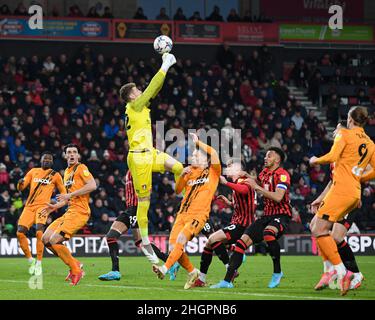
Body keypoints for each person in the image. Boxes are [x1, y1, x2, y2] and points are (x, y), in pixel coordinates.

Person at [119, 53, 183, 265]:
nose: (140, 91)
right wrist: (165, 64)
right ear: (131, 96)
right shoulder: (134, 106)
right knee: (144, 202)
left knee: (179, 167)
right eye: (137, 90)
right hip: (138, 160)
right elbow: (153, 86)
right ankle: (145, 242)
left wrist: (167, 68)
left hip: (151, 153)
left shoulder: (139, 107)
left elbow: (154, 88)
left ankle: (182, 201)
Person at [309, 106, 375, 296]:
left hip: (341, 190)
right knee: (316, 225)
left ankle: (341, 271)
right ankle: (333, 271)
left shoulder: (344, 135)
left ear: (350, 119)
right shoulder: (370, 143)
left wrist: (315, 160)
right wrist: (359, 178)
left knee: (318, 230)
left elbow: (332, 156)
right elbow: (374, 170)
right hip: (353, 192)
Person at [211, 147, 292, 289]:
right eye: (266, 156)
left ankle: (277, 272)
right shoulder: (264, 173)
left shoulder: (283, 175)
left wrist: (256, 187)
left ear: (277, 160)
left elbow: (278, 197)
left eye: (269, 156)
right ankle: (227, 281)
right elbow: (258, 181)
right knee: (241, 243)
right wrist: (247, 174)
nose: (265, 158)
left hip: (281, 215)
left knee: (269, 233)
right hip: (266, 215)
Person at [152, 133, 221, 289]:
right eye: (192, 155)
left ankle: (165, 268)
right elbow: (177, 191)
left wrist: (198, 143)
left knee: (181, 240)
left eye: (197, 155)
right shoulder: (189, 172)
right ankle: (192, 271)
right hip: (182, 214)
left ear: (206, 160)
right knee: (172, 248)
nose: (193, 157)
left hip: (198, 215)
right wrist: (181, 176)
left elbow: (215, 154)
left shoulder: (213, 172)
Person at [98, 170, 176, 281]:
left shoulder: (140, 169)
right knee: (111, 237)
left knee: (140, 241)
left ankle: (169, 262)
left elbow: (146, 189)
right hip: (129, 209)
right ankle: (115, 271)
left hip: (136, 208)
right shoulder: (130, 170)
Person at [193, 158, 256, 287]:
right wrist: (230, 203)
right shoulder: (237, 183)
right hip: (238, 223)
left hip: (243, 226)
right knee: (209, 244)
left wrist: (226, 183)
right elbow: (243, 202)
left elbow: (244, 190)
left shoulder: (245, 181)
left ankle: (230, 269)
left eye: (230, 166)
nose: (227, 169)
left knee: (212, 239)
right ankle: (202, 280)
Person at [41, 144, 97, 286]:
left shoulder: (81, 168)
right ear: (65, 155)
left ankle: (76, 270)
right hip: (70, 211)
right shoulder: (66, 172)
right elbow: (67, 199)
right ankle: (75, 263)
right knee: (46, 239)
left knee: (55, 240)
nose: (72, 155)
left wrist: (70, 194)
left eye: (74, 152)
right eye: (69, 152)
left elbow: (92, 185)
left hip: (80, 212)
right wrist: (54, 207)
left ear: (78, 155)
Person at [16, 151, 66, 276]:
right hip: (29, 207)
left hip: (43, 207)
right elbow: (21, 188)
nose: (47, 160)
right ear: (41, 160)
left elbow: (64, 193)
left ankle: (38, 263)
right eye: (45, 159)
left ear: (52, 162)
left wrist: (56, 204)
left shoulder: (55, 175)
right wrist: (20, 183)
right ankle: (30, 260)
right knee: (20, 233)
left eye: (49, 159)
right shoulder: (33, 171)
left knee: (39, 232)